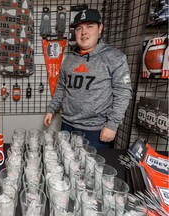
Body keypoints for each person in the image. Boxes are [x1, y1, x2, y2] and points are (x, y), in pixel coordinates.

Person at [43, 9, 132, 148]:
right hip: (67, 126)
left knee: (92, 169)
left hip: (96, 131)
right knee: (65, 167)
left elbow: (123, 93)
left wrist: (112, 125)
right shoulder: (69, 59)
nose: (84, 32)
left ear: (100, 28)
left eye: (90, 26)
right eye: (79, 28)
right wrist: (51, 109)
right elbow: (61, 86)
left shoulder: (115, 57)